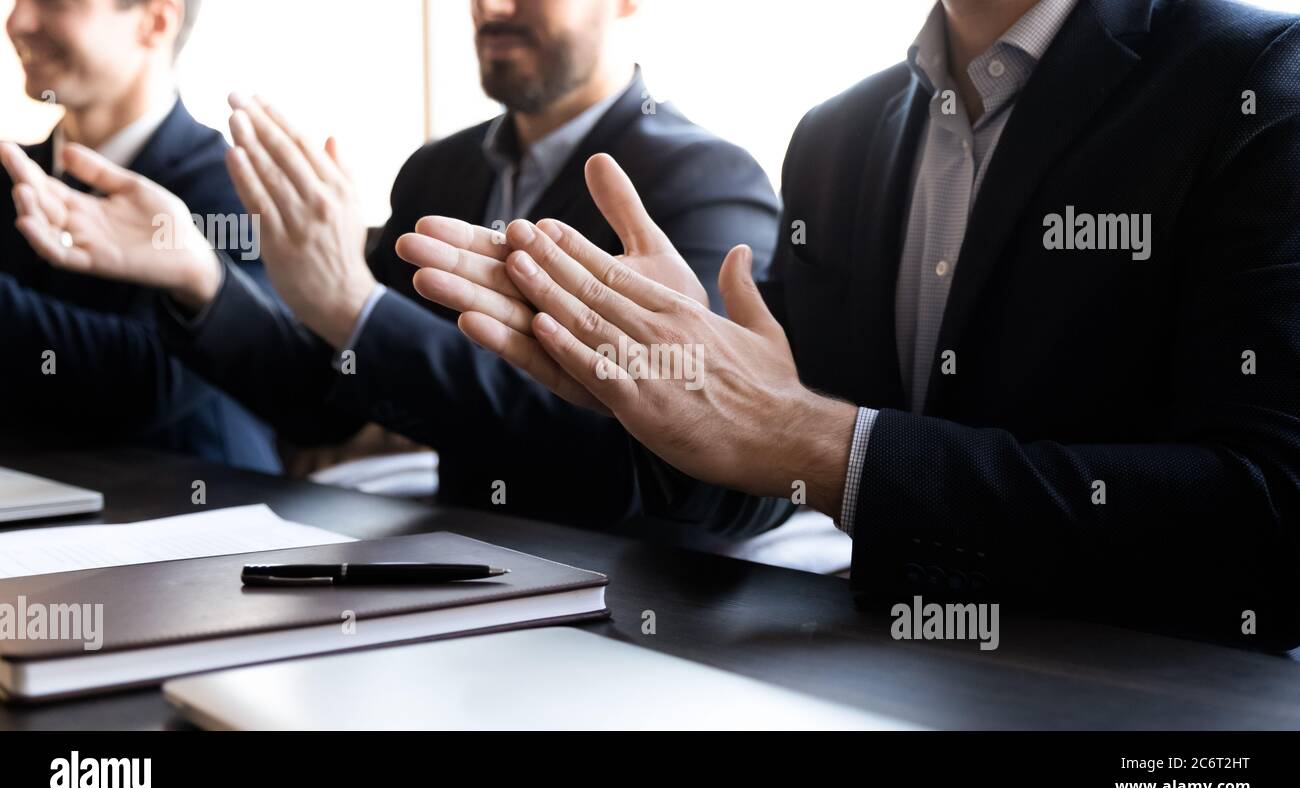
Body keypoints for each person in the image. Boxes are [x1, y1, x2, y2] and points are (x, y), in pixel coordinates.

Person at [420, 0, 1300, 649]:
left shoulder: (1258, 79)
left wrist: (826, 447)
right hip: (868, 676)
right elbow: (769, 468)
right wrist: (667, 398)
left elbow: (1274, 516)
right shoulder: (836, 134)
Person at [4, 0, 779, 529]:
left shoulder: (707, 183)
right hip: (460, 565)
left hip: (637, 584)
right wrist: (202, 285)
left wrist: (353, 308)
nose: (490, 6)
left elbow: (659, 462)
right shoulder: (439, 174)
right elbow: (326, 402)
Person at [0, 0, 279, 471]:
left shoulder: (238, 189)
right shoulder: (10, 173)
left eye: (53, 2)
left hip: (197, 514)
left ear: (155, 21)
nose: (18, 22)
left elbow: (152, 382)